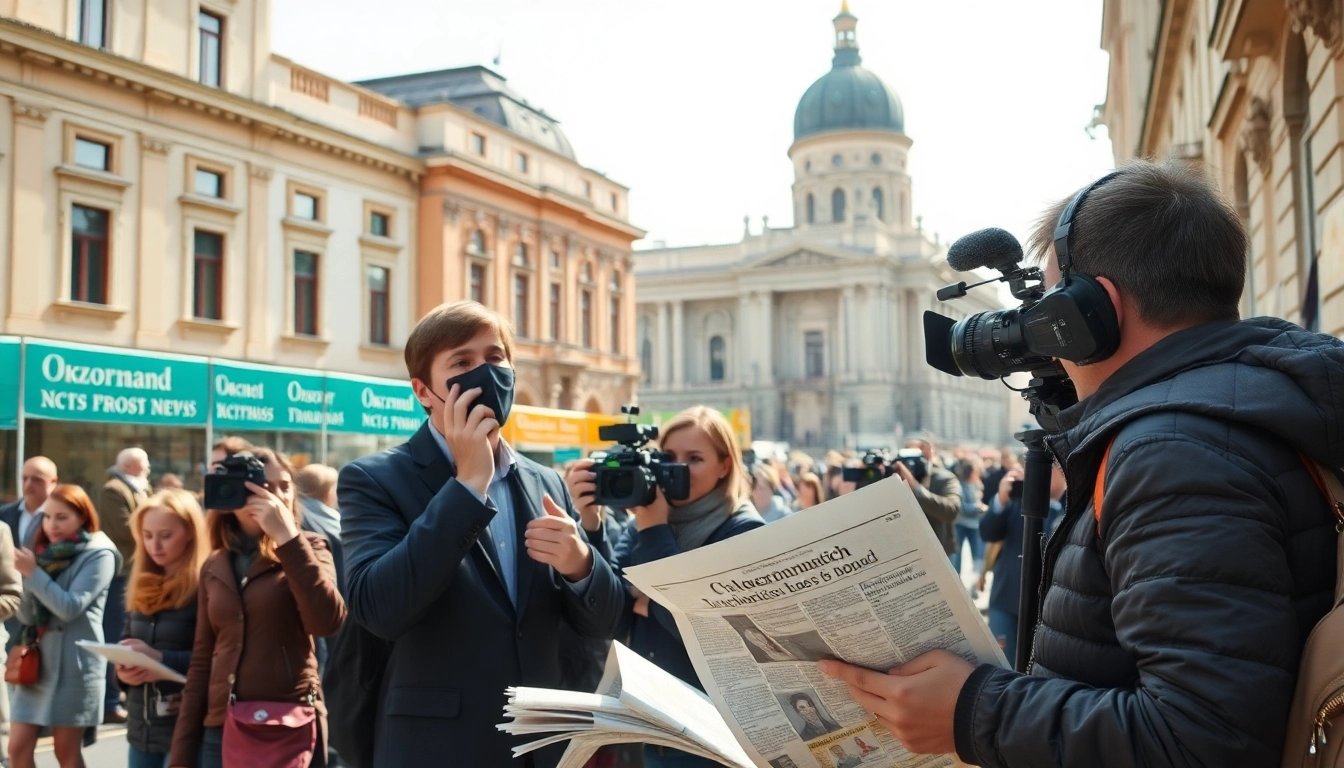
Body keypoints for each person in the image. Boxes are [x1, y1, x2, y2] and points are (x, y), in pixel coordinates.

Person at [817, 160, 1341, 766]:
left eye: (1051, 305)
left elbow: (1201, 741)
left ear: (1093, 312)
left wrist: (973, 712)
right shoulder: (1252, 406)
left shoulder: (1174, 453)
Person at [339, 301, 623, 768]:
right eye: (462, 363)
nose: (485, 373)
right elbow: (379, 608)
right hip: (438, 750)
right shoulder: (374, 479)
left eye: (495, 358)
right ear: (424, 391)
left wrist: (581, 567)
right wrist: (467, 486)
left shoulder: (546, 481)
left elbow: (603, 625)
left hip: (543, 747)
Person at [568, 406, 764, 768]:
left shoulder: (742, 530)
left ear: (725, 466)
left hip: (718, 740)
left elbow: (708, 633)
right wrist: (592, 526)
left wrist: (654, 540)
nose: (677, 469)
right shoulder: (642, 521)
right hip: (657, 733)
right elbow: (612, 617)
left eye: (694, 459)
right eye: (667, 457)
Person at [169, 448, 344, 768]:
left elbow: (327, 621)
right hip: (219, 728)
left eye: (285, 486)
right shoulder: (216, 564)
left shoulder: (311, 547)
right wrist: (180, 755)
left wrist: (286, 537)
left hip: (285, 725)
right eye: (263, 486)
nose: (275, 496)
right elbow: (202, 661)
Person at [9, 484, 120, 768]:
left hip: (75, 667)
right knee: (17, 748)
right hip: (37, 663)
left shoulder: (99, 553)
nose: (52, 525)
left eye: (62, 517)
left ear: (82, 517)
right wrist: (22, 579)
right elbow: (27, 618)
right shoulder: (42, 553)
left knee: (65, 753)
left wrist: (32, 573)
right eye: (47, 517)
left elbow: (69, 607)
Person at [119, 490, 209, 768]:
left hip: (187, 726)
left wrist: (159, 659)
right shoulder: (141, 583)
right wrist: (123, 673)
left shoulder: (206, 585)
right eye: (146, 535)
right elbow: (128, 641)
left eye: (165, 535)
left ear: (190, 532)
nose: (154, 545)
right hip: (142, 728)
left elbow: (216, 657)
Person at [977, 465, 1064, 663]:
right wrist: (1000, 501)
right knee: (1001, 663)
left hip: (1047, 608)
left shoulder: (1073, 505)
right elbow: (987, 532)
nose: (1043, 473)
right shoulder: (1017, 500)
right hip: (1006, 599)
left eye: (1051, 466)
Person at [100, 446, 152, 724]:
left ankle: (118, 696)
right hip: (122, 574)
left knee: (133, 636)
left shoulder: (141, 489)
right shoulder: (114, 490)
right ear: (131, 466)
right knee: (116, 635)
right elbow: (125, 528)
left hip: (138, 574)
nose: (148, 469)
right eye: (145, 465)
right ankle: (109, 701)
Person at [890, 438, 960, 557]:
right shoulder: (893, 479)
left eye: (917, 455)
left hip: (938, 551)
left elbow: (950, 511)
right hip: (907, 550)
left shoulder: (944, 478)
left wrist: (914, 486)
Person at [951, 455, 986, 585]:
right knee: (958, 556)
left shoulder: (975, 485)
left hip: (974, 525)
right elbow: (962, 507)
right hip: (961, 524)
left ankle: (976, 583)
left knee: (977, 555)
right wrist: (979, 508)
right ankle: (957, 582)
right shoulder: (960, 486)